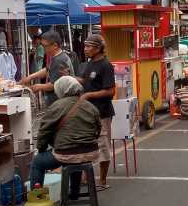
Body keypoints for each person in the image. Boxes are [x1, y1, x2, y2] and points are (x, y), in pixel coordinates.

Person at [29, 76, 101, 195]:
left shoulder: (56, 106)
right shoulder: (91, 106)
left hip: (66, 154)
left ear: (61, 90)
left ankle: (36, 197)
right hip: (90, 152)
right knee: (77, 157)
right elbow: (98, 129)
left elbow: (44, 131)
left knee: (37, 162)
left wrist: (41, 149)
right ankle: (74, 193)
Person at [76, 34, 116, 190]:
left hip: (102, 112)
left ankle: (103, 180)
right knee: (88, 144)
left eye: (88, 46)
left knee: (103, 145)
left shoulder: (106, 65)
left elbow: (110, 91)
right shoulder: (89, 63)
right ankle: (86, 177)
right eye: (85, 46)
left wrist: (88, 95)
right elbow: (86, 81)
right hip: (88, 112)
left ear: (98, 48)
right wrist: (69, 77)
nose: (85, 49)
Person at [20, 30, 74, 105]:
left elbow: (54, 85)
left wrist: (38, 86)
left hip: (60, 102)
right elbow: (47, 69)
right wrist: (30, 77)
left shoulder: (59, 60)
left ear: (55, 45)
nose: (44, 49)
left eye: (45, 46)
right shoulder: (57, 56)